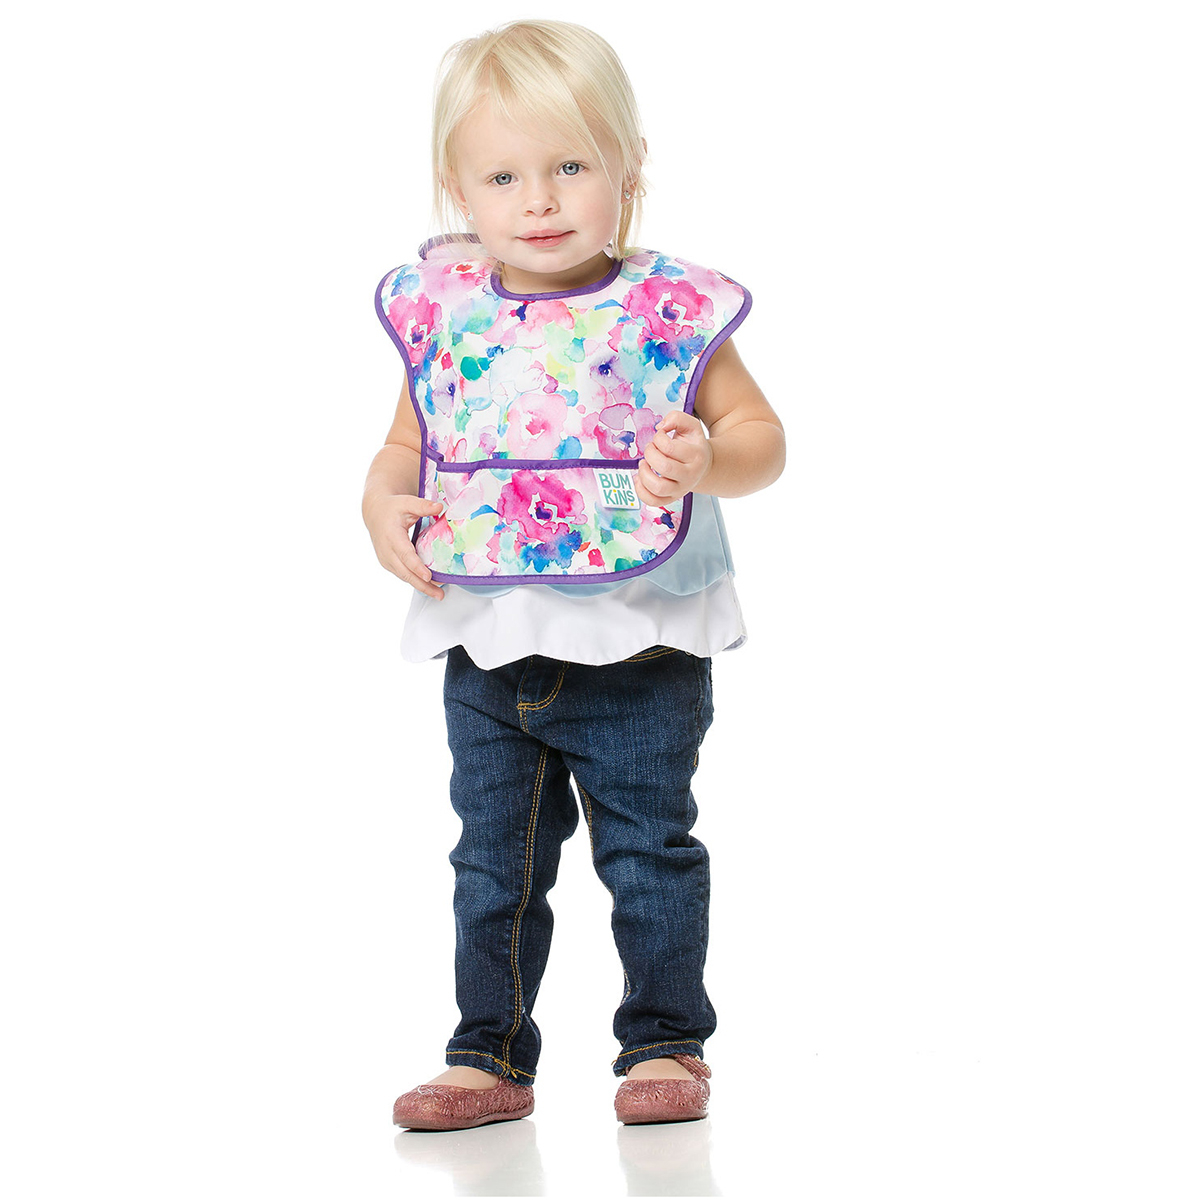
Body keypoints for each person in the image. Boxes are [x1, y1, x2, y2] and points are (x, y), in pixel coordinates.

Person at [363, 19, 785, 1130]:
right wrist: (380, 503)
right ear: (457, 185)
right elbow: (409, 443)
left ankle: (665, 1043)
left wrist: (709, 458)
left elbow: (763, 439)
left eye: (570, 166)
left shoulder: (666, 312)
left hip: (639, 643)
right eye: (503, 176)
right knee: (491, 868)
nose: (539, 200)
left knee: (649, 854)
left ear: (629, 168)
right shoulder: (447, 311)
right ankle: (488, 1055)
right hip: (488, 640)